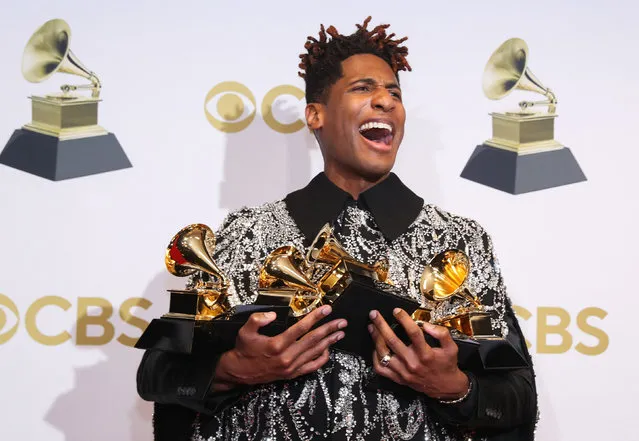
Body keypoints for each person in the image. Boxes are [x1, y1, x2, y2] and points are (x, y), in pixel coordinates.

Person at [136, 17, 537, 441]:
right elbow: (155, 375)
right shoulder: (242, 234)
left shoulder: (460, 243)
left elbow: (518, 395)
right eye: (363, 88)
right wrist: (231, 369)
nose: (385, 100)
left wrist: (455, 387)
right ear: (315, 115)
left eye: (394, 93)